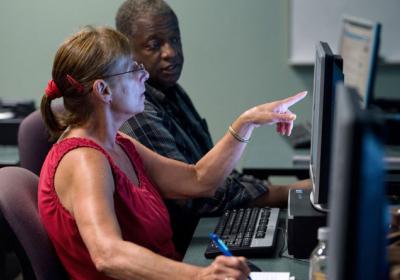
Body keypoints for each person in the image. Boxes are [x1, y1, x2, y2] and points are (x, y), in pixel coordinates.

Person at [38, 26, 306, 279]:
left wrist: (246, 122)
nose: (144, 75)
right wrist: (200, 275)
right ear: (103, 90)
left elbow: (199, 180)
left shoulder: (117, 142)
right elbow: (109, 255)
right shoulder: (85, 160)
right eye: (132, 70)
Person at [115, 0, 311, 254]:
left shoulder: (170, 90)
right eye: (155, 45)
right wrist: (286, 192)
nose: (170, 52)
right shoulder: (138, 111)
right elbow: (194, 193)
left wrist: (280, 191)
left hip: (202, 227)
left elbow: (214, 171)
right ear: (126, 52)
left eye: (175, 40)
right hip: (185, 245)